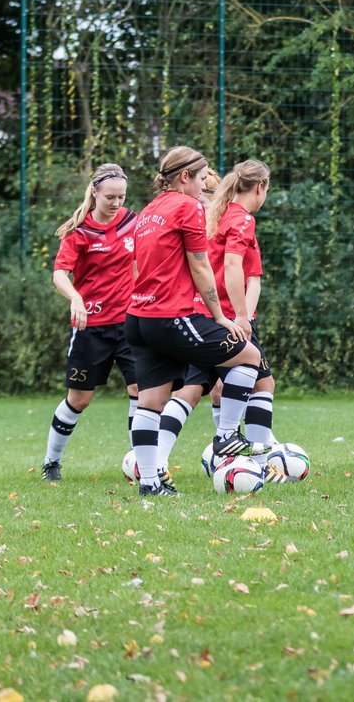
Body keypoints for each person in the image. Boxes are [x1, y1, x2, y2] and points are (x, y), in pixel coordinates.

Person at [125, 146, 267, 496]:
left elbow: (139, 266)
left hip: (137, 316)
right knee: (248, 356)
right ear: (185, 177)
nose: (207, 186)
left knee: (152, 400)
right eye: (203, 178)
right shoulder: (187, 206)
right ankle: (226, 436)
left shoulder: (148, 210)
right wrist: (221, 317)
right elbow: (200, 265)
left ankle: (150, 484)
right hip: (170, 314)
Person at [156, 160, 274, 473]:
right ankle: (253, 460)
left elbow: (252, 277)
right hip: (226, 317)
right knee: (262, 383)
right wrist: (242, 316)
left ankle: (157, 461)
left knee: (195, 390)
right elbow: (235, 268)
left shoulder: (215, 218)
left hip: (204, 314)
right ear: (260, 188)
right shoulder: (240, 219)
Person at [43, 164, 139, 482]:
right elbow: (59, 274)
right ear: (94, 192)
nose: (115, 203)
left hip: (129, 325)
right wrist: (75, 298)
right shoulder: (79, 232)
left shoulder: (132, 222)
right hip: (90, 327)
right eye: (109, 196)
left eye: (121, 197)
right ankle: (51, 462)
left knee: (142, 391)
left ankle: (142, 463)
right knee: (79, 399)